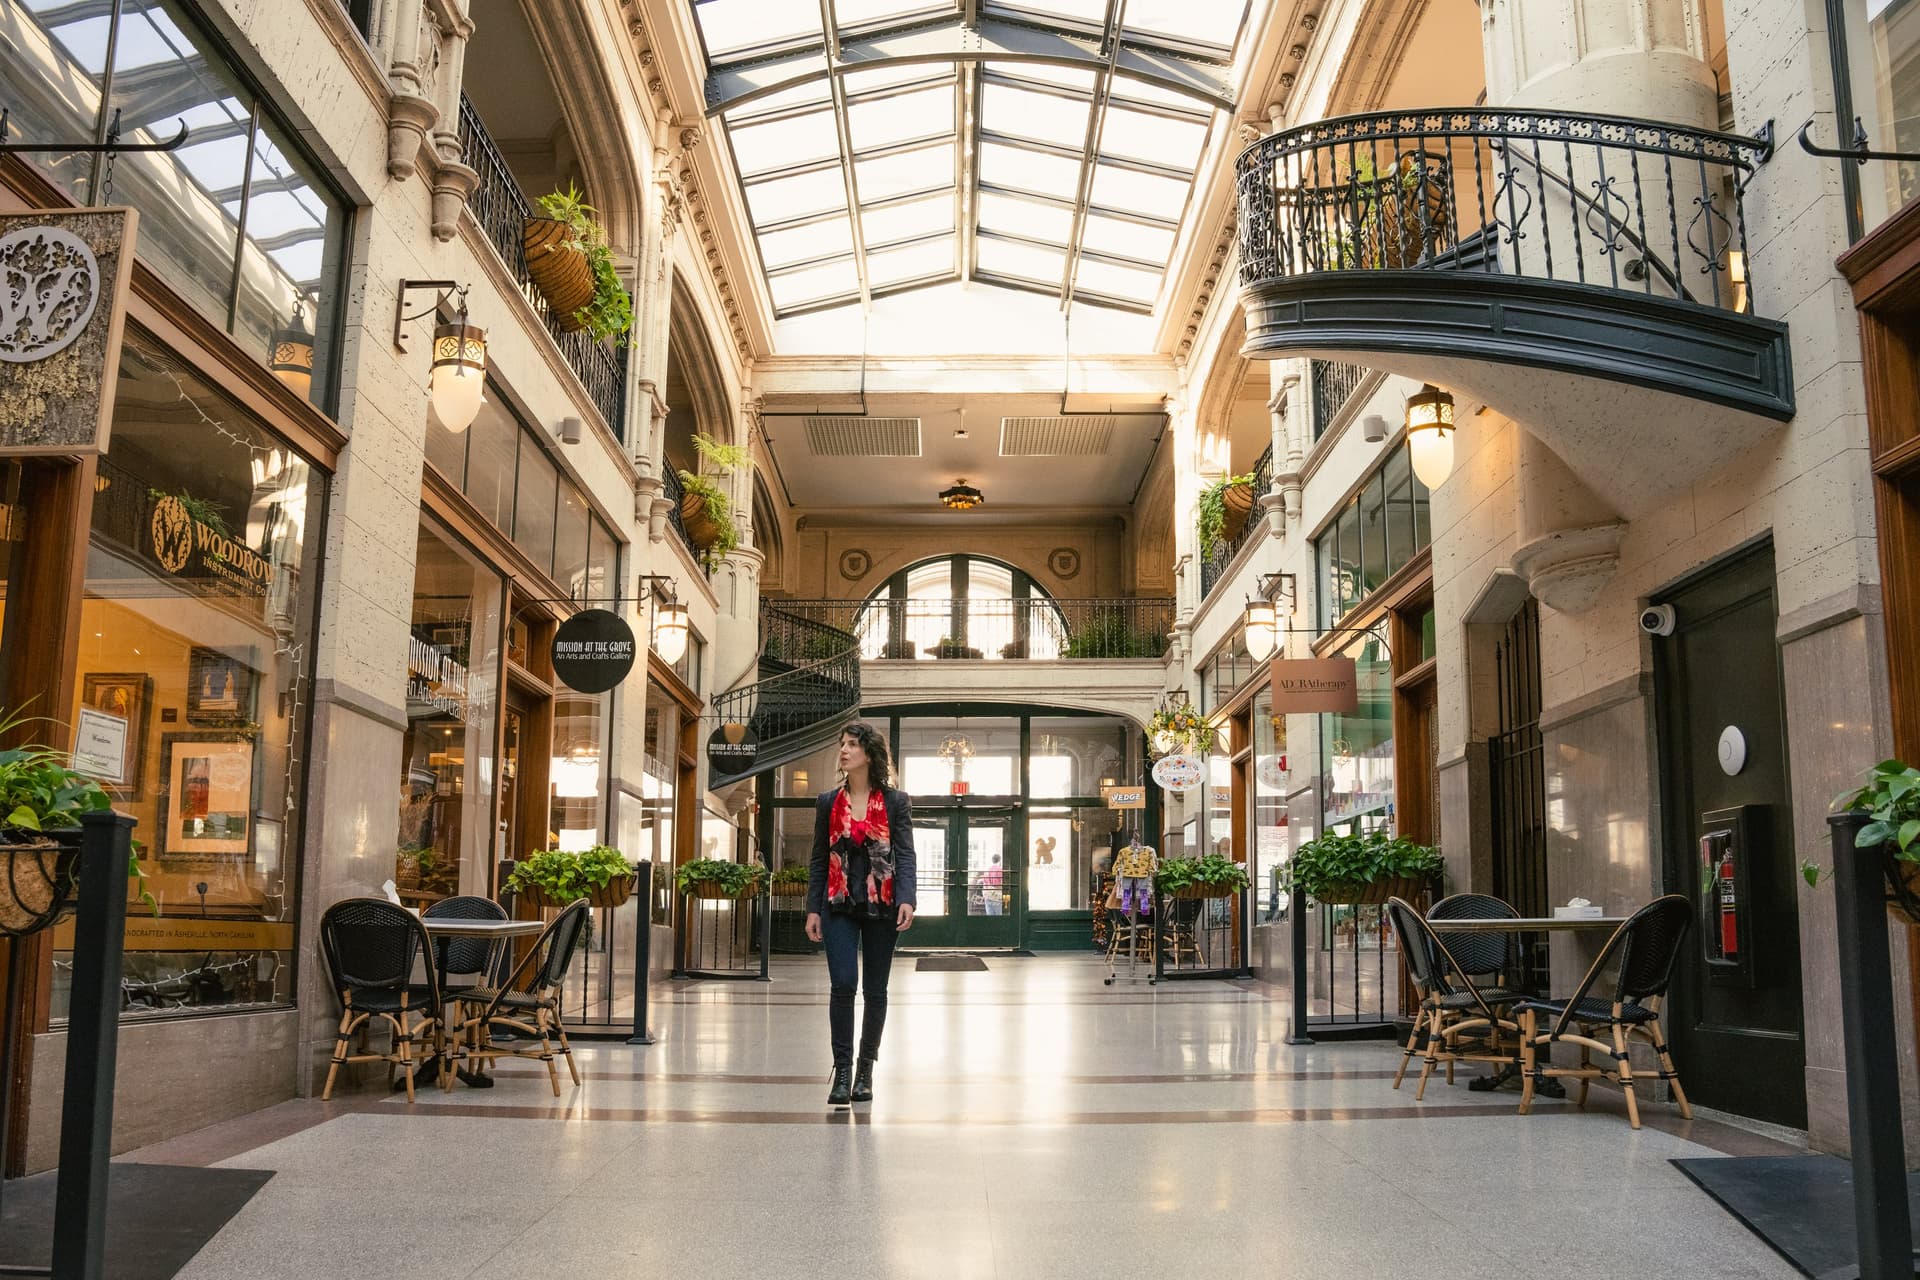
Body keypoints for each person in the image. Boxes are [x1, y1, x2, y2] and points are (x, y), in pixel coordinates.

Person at [806, 721, 916, 1106]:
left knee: (875, 990)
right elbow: (819, 858)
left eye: (852, 744)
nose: (844, 750)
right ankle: (843, 1071)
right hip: (837, 904)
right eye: (842, 744)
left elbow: (904, 854)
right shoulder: (826, 802)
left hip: (882, 905)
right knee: (843, 985)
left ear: (869, 753)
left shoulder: (895, 802)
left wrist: (907, 898)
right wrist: (812, 908)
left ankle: (866, 1069)